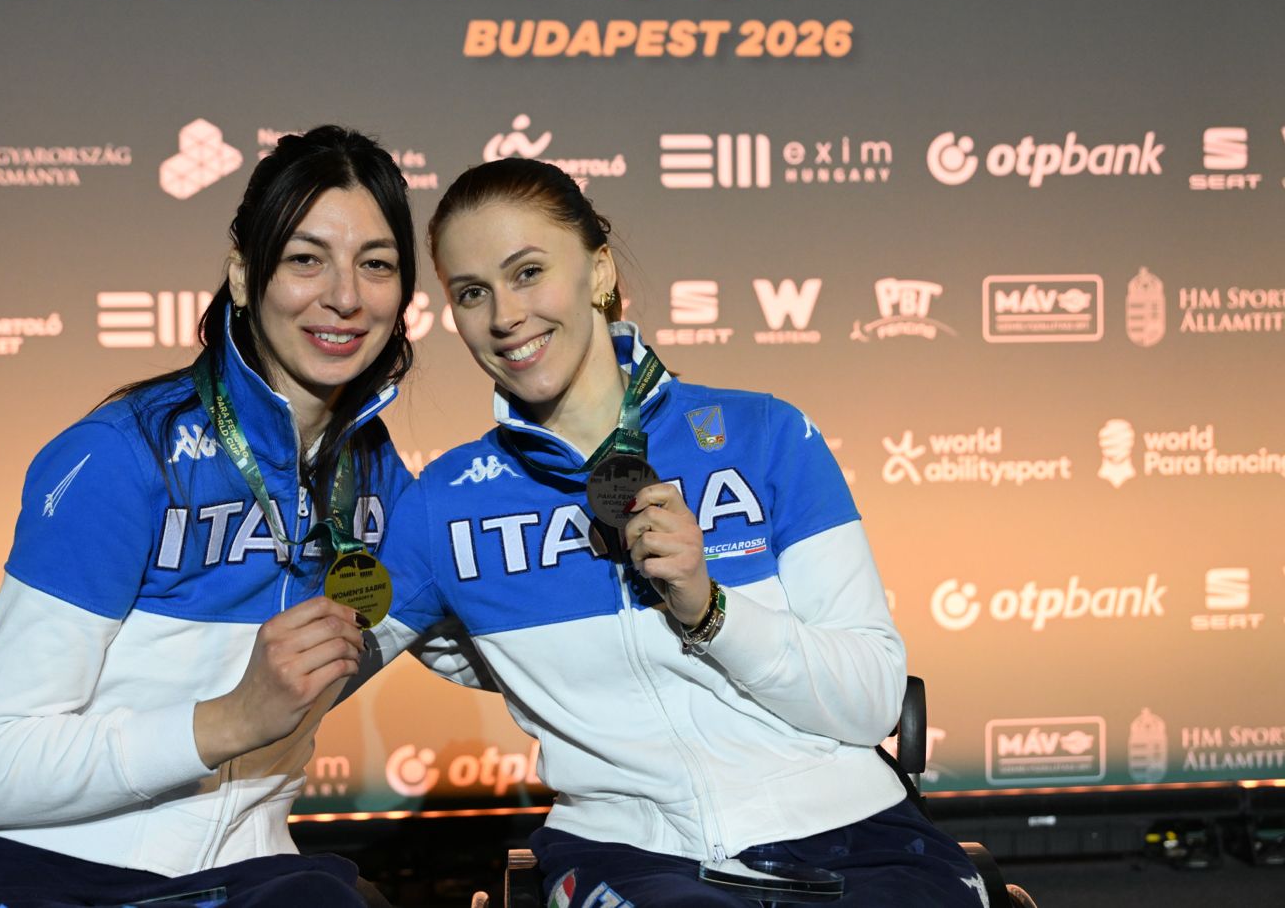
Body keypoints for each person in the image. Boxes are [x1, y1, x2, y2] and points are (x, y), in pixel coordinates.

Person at [362, 158, 985, 906]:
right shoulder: (445, 503)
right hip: (628, 853)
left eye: (528, 272)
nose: (504, 315)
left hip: (854, 832)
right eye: (471, 292)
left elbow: (873, 701)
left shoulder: (765, 434)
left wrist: (708, 608)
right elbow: (320, 659)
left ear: (598, 271)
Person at [0, 125, 473, 908]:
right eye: (306, 258)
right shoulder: (124, 454)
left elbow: (512, 649)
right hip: (49, 873)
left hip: (249, 875)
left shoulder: (377, 476)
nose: (345, 295)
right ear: (243, 273)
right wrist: (230, 719)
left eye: (377, 263)